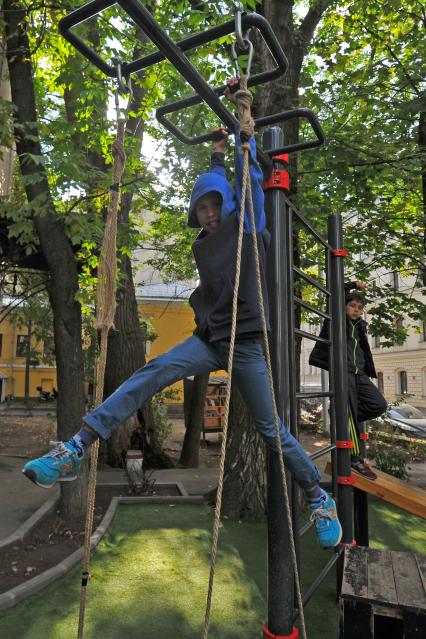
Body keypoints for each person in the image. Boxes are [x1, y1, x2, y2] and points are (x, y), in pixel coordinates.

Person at [23, 79, 342, 548]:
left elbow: (244, 176)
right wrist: (214, 152)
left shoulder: (247, 225)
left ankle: (317, 497)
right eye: (202, 209)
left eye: (215, 206)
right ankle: (75, 448)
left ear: (228, 206)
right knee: (151, 372)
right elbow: (218, 180)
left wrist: (240, 125)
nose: (209, 214)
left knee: (272, 429)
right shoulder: (203, 242)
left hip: (248, 341)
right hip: (209, 337)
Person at [309, 281, 387, 479]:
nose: (356, 310)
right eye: (352, 306)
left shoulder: (359, 326)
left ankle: (342, 414)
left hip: (359, 374)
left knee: (379, 405)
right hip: (343, 372)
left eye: (359, 308)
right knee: (349, 414)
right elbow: (336, 293)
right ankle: (355, 460)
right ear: (344, 306)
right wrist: (352, 285)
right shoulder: (336, 321)